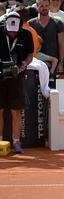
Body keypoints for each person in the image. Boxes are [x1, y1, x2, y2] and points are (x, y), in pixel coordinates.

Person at [0, 11, 34, 154]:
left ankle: (16, 142)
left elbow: (31, 54)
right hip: (0, 76)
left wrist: (24, 64)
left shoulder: (26, 34)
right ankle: (1, 141)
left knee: (16, 111)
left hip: (17, 76)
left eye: (15, 31)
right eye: (10, 31)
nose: (12, 34)